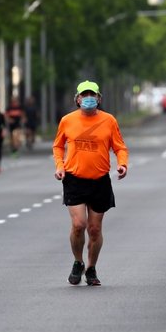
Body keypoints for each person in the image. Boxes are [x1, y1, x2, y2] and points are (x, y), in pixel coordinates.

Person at [53, 81, 129, 287]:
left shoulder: (109, 120)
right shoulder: (67, 121)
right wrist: (60, 166)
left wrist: (122, 165)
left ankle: (91, 267)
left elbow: (120, 147)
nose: (88, 98)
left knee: (94, 229)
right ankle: (78, 262)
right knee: (79, 225)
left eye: (92, 94)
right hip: (74, 180)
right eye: (84, 94)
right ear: (77, 99)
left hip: (100, 181)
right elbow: (58, 146)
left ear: (99, 98)